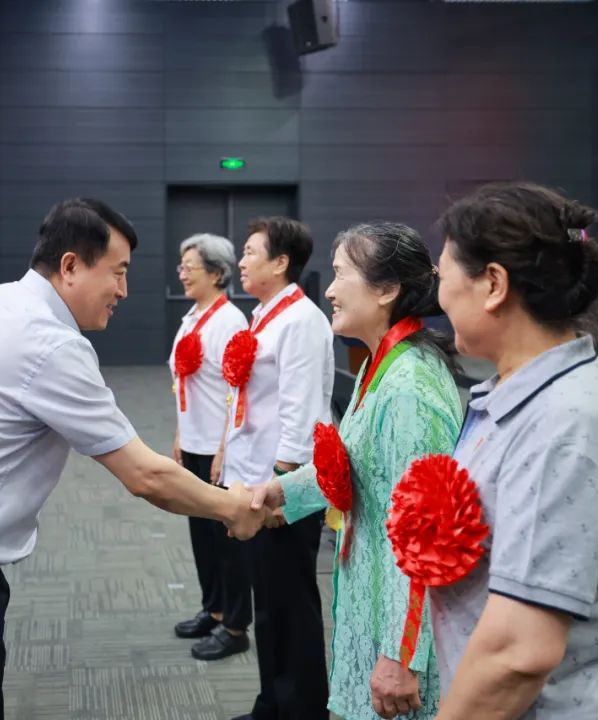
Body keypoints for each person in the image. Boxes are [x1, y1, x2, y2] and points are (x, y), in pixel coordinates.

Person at [0, 198, 268, 720]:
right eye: (117, 272)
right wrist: (233, 508)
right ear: (71, 265)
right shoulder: (49, 344)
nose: (123, 290)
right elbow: (145, 476)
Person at [430, 183, 598, 719]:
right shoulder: (521, 397)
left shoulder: (564, 425)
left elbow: (517, 655)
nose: (439, 297)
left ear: (493, 284)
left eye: (443, 277)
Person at [251, 222, 463, 720]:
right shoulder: (379, 364)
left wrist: (401, 656)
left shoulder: (408, 388)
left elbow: (425, 537)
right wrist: (278, 493)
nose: (328, 289)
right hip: (371, 600)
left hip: (399, 634)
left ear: (386, 289)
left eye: (341, 273)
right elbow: (354, 464)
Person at [223, 216, 335, 720]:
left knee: (290, 604)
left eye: (251, 252)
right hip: (256, 479)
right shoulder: (265, 316)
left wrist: (280, 487)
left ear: (281, 262)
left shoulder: (300, 320)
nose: (242, 261)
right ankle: (272, 704)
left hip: (282, 488)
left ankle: (301, 710)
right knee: (268, 602)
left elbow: (301, 412)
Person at [167, 233, 252, 659]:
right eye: (181, 266)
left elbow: (236, 391)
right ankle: (213, 609)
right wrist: (180, 436)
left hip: (220, 446)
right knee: (201, 533)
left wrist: (223, 450)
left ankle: (235, 626)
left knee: (225, 539)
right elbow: (184, 383)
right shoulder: (192, 317)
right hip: (194, 442)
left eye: (190, 267)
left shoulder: (229, 321)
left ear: (217, 273)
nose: (182, 273)